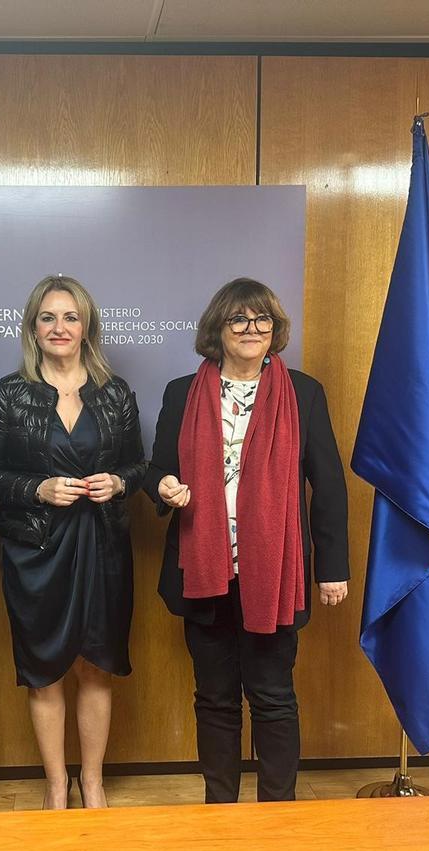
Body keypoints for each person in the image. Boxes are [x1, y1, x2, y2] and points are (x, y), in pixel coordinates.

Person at [143, 277, 349, 804]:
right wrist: (163, 486)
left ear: (275, 329)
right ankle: (221, 808)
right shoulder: (181, 393)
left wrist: (333, 568)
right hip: (204, 568)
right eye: (239, 319)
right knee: (214, 698)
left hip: (275, 573)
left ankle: (277, 811)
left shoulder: (303, 392)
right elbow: (159, 470)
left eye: (263, 320)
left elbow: (327, 483)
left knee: (273, 697)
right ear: (219, 328)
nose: (251, 329)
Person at [0, 275, 145, 810]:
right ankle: (57, 786)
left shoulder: (115, 391)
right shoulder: (10, 393)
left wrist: (120, 482)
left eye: (70, 317)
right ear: (33, 326)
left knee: (96, 665)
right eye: (49, 317)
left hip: (102, 547)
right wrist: (36, 488)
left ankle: (92, 782)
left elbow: (137, 466)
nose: (60, 327)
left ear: (86, 326)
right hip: (35, 550)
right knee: (45, 670)